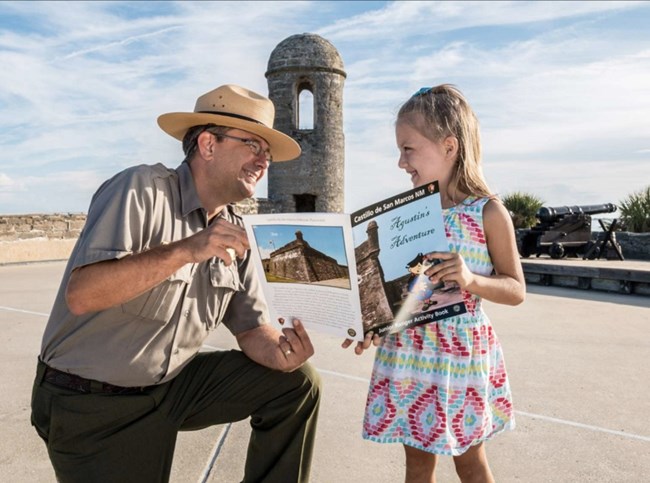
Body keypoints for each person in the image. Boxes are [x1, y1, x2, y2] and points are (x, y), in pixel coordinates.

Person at [31, 84, 321, 483]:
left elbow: (252, 328)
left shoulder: (239, 231)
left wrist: (281, 353)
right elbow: (82, 295)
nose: (263, 160)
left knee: (298, 383)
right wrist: (189, 248)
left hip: (172, 388)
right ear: (207, 144)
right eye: (253, 145)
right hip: (90, 401)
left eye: (267, 152)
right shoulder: (141, 189)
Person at [344, 84, 525, 482]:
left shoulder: (488, 211)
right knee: (417, 466)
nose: (400, 162)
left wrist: (470, 279)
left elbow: (515, 288)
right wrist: (369, 323)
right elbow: (395, 290)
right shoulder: (405, 214)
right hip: (409, 353)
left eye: (408, 149)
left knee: (471, 463)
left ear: (448, 146)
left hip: (460, 357)